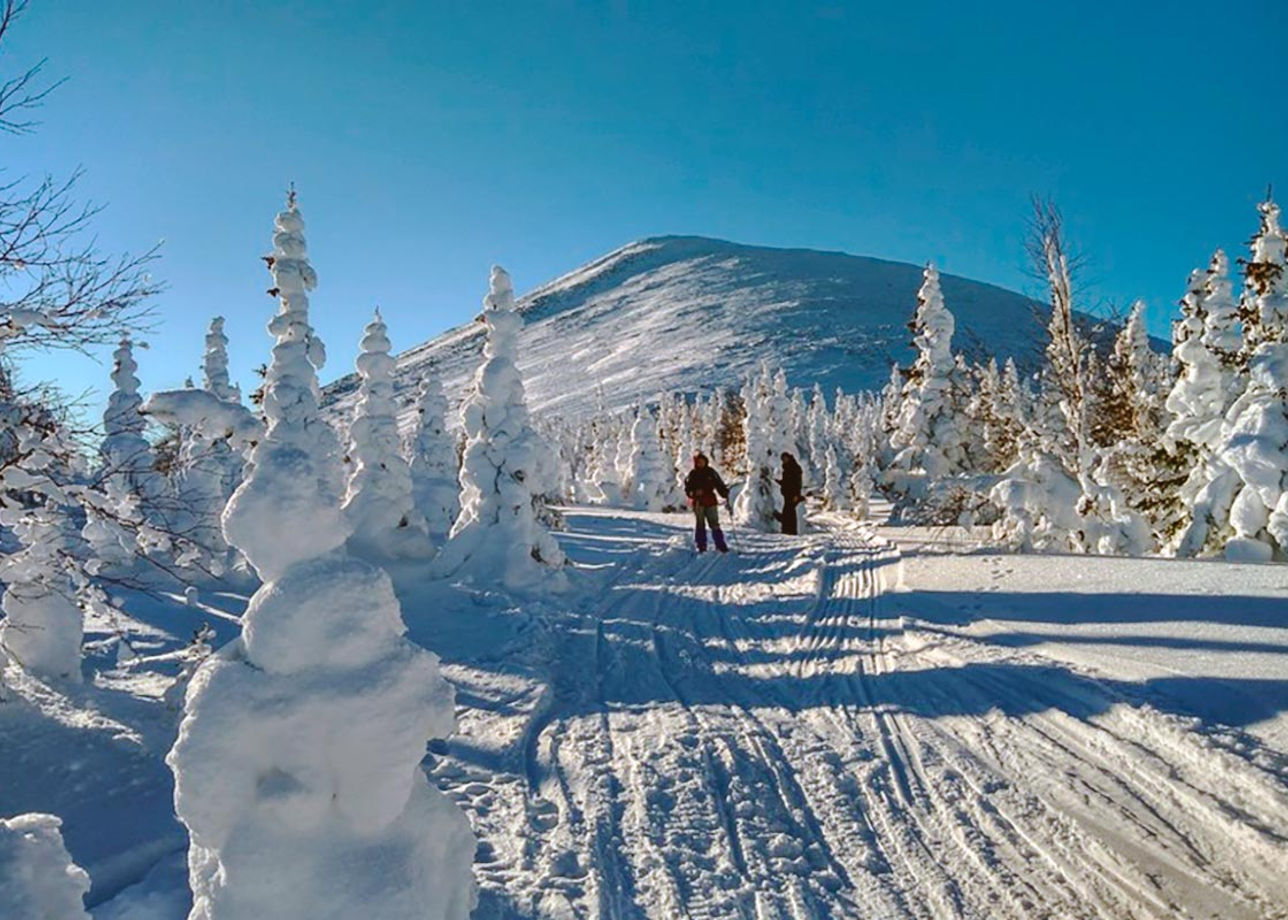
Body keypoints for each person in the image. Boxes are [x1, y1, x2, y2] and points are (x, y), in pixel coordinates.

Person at [683, 452, 730, 553]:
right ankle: (701, 546)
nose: (700, 463)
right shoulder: (693, 474)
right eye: (698, 462)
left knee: (714, 524)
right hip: (698, 502)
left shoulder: (711, 472)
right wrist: (693, 493)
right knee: (700, 524)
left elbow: (719, 484)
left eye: (702, 461)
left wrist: (724, 493)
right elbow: (687, 489)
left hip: (710, 501)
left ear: (705, 461)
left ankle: (720, 544)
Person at [776, 451, 803, 535]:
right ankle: (787, 530)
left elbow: (798, 482)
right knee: (788, 512)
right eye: (782, 459)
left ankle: (790, 531)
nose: (784, 460)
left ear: (789, 458)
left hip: (792, 494)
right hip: (787, 494)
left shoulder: (794, 468)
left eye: (785, 458)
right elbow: (787, 481)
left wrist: (796, 494)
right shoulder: (787, 467)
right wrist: (779, 482)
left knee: (789, 512)